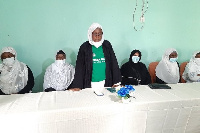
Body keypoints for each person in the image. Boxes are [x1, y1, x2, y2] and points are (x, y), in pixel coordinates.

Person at [70, 23, 121, 91]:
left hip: (105, 82)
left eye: (99, 34)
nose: (97, 36)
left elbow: (114, 63)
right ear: (90, 34)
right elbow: (79, 67)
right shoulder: (84, 47)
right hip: (90, 83)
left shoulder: (107, 45)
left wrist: (117, 81)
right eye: (95, 34)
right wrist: (77, 85)